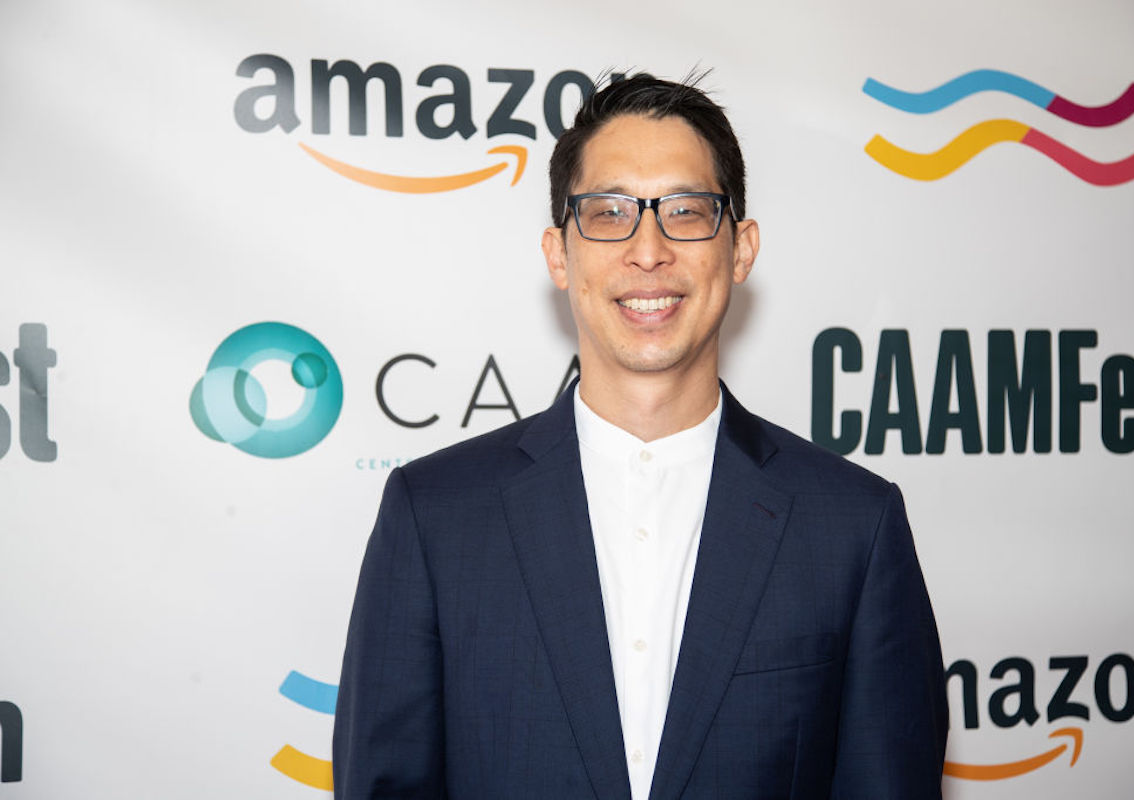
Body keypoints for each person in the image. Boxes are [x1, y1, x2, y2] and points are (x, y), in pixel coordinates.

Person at [333, 73, 948, 800]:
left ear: (741, 248)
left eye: (686, 212)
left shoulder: (853, 526)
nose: (648, 250)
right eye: (608, 213)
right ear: (559, 255)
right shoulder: (434, 516)